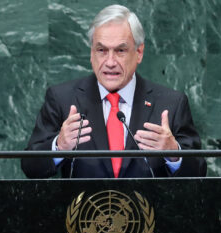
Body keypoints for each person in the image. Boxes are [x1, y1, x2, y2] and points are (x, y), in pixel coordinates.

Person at [21, 4, 206, 178]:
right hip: (83, 211)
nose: (110, 62)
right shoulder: (62, 98)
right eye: (101, 50)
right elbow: (30, 167)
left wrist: (174, 154)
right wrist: (58, 147)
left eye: (120, 51)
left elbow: (199, 172)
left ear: (139, 52)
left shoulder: (171, 103)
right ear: (91, 54)